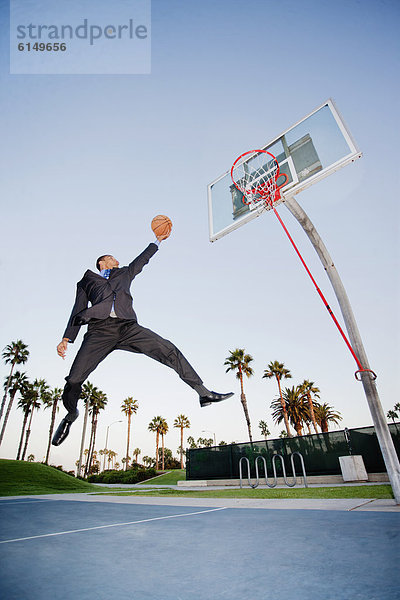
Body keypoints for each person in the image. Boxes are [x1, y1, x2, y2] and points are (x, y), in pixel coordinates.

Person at [52, 221, 233, 446]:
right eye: (113, 258)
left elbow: (142, 260)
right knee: (74, 379)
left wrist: (157, 241)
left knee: (168, 349)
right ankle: (70, 415)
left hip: (128, 328)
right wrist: (66, 339)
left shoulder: (125, 273)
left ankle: (203, 392)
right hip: (99, 331)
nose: (117, 261)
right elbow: (77, 309)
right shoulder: (87, 280)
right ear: (102, 262)